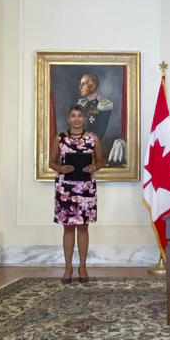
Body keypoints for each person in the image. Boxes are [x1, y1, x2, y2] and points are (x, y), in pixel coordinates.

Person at [50, 105, 105, 284]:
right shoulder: (60, 138)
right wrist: (60, 168)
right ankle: (68, 267)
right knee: (68, 228)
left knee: (83, 227)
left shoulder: (92, 138)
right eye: (73, 115)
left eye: (80, 116)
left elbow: (101, 159)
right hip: (65, 188)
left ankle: (82, 266)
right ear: (68, 119)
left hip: (86, 188)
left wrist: (94, 167)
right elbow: (51, 162)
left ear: (84, 118)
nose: (76, 119)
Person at [76, 73, 113, 142]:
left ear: (93, 86)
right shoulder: (82, 104)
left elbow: (99, 134)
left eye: (83, 84)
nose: (80, 87)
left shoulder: (102, 106)